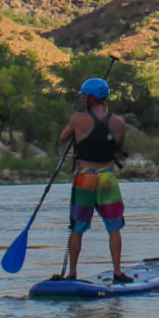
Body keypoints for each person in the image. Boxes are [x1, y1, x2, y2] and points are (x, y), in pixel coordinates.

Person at [56, 77, 129, 282]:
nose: (82, 99)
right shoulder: (119, 122)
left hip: (85, 178)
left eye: (84, 96)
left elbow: (63, 138)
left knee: (77, 227)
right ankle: (117, 272)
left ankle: (72, 273)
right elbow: (120, 148)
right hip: (107, 176)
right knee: (114, 226)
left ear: (90, 97)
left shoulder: (78, 119)